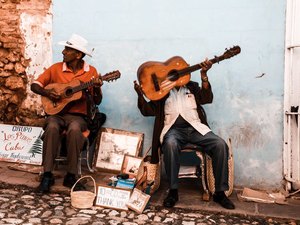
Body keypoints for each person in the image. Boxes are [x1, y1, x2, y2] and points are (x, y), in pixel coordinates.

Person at [134, 58, 235, 210]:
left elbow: (207, 98)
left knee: (220, 144)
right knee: (170, 143)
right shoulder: (162, 92)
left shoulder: (192, 87)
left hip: (196, 129)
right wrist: (140, 95)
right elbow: (147, 111)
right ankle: (173, 191)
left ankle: (220, 193)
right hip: (173, 131)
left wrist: (204, 76)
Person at [31, 34, 105, 193]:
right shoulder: (56, 68)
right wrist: (49, 93)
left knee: (75, 129)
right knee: (51, 127)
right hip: (56, 115)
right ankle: (47, 175)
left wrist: (97, 87)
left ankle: (71, 176)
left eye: (67, 49)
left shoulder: (90, 72)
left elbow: (97, 101)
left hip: (78, 117)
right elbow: (35, 85)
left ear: (78, 54)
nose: (63, 52)